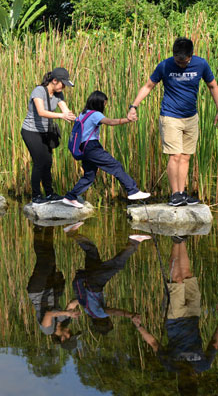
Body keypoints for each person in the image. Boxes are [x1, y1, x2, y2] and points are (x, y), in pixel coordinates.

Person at [127, 37, 218, 206]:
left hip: (191, 117)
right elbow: (148, 86)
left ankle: (182, 193)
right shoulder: (165, 65)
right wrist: (133, 106)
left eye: (184, 62)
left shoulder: (201, 64)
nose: (180, 65)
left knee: (186, 156)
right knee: (175, 155)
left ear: (191, 56)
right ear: (173, 55)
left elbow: (213, 86)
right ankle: (174, 194)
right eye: (178, 61)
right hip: (170, 116)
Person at [132, 237, 218, 389]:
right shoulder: (204, 364)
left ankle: (175, 242)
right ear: (196, 380)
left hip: (174, 317)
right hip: (193, 315)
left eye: (184, 380)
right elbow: (214, 343)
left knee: (176, 280)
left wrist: (139, 326)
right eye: (191, 380)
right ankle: (182, 240)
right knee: (188, 275)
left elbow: (154, 343)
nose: (188, 376)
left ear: (179, 382)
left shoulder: (170, 364)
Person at [63, 91, 151, 207]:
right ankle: (132, 191)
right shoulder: (95, 114)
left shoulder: (83, 114)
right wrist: (127, 120)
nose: (105, 105)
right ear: (98, 103)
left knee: (89, 175)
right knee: (115, 166)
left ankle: (70, 197)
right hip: (92, 147)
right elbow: (110, 122)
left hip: (83, 148)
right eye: (104, 103)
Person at [69, 226, 151, 336]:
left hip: (95, 283)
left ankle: (134, 241)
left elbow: (114, 311)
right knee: (91, 251)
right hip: (87, 279)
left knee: (117, 265)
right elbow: (76, 300)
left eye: (109, 322)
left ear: (105, 322)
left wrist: (130, 315)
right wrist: (70, 309)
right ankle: (72, 233)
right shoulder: (88, 310)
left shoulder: (100, 314)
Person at [21, 67, 76, 205]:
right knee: (40, 162)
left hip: (45, 132)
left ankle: (50, 193)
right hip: (30, 131)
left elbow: (66, 111)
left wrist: (76, 118)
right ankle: (36, 196)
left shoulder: (58, 94)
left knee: (48, 162)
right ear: (54, 80)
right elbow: (41, 112)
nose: (64, 87)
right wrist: (61, 116)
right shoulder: (39, 91)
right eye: (63, 84)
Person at [26, 225, 80, 349]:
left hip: (37, 291)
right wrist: (84, 300)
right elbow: (72, 304)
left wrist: (66, 313)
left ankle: (38, 229)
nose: (70, 331)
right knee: (51, 256)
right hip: (49, 289)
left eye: (70, 334)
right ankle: (49, 226)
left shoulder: (48, 330)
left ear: (63, 338)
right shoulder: (65, 321)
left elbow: (49, 314)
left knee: (44, 260)